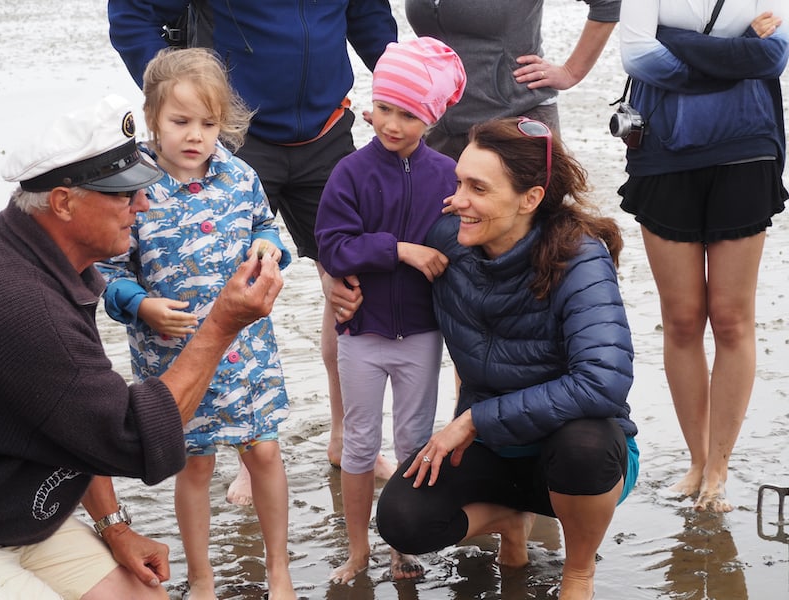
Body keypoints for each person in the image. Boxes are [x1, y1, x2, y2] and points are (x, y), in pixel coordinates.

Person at [0, 94, 283, 599]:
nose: (143, 206)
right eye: (125, 196)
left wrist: (115, 527)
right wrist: (222, 323)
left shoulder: (41, 256)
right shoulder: (23, 304)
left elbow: (76, 422)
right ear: (63, 202)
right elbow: (128, 436)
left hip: (19, 515)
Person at [107, 0, 400, 504]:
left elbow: (371, 21)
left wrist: (400, 98)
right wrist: (187, 100)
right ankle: (247, 448)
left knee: (353, 283)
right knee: (224, 284)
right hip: (235, 137)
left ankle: (349, 439)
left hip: (328, 131)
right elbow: (132, 14)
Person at [375, 118, 640, 600]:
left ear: (530, 199)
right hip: (494, 452)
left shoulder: (581, 257)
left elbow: (604, 381)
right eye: (458, 182)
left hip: (577, 455)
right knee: (401, 520)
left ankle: (578, 572)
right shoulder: (448, 240)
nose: (457, 199)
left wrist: (475, 418)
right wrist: (344, 287)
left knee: (584, 447)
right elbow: (387, 295)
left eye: (477, 188)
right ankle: (508, 521)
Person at [95, 48, 296, 600]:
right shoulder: (132, 185)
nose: (196, 136)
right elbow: (106, 269)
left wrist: (268, 244)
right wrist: (140, 303)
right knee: (196, 465)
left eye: (208, 124)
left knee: (263, 453)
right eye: (180, 122)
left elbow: (266, 226)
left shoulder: (238, 174)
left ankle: (279, 572)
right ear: (152, 117)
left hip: (248, 350)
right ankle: (202, 578)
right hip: (174, 357)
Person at [616, 0, 788, 511]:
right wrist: (735, 53)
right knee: (683, 320)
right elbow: (637, 58)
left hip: (746, 147)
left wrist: (676, 42)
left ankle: (718, 469)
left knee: (732, 320)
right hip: (663, 149)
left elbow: (774, 57)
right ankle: (696, 462)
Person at [315, 37, 467, 583]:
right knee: (359, 443)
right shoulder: (350, 172)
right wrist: (398, 250)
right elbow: (330, 245)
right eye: (384, 108)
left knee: (413, 442)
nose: (392, 123)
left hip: (423, 335)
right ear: (369, 104)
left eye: (407, 113)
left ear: (430, 116)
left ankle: (400, 545)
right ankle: (358, 550)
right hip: (362, 334)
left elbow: (468, 241)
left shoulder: (447, 174)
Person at [403, 0, 622, 160]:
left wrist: (570, 72)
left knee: (528, 221)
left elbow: (607, 3)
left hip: (515, 124)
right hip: (440, 129)